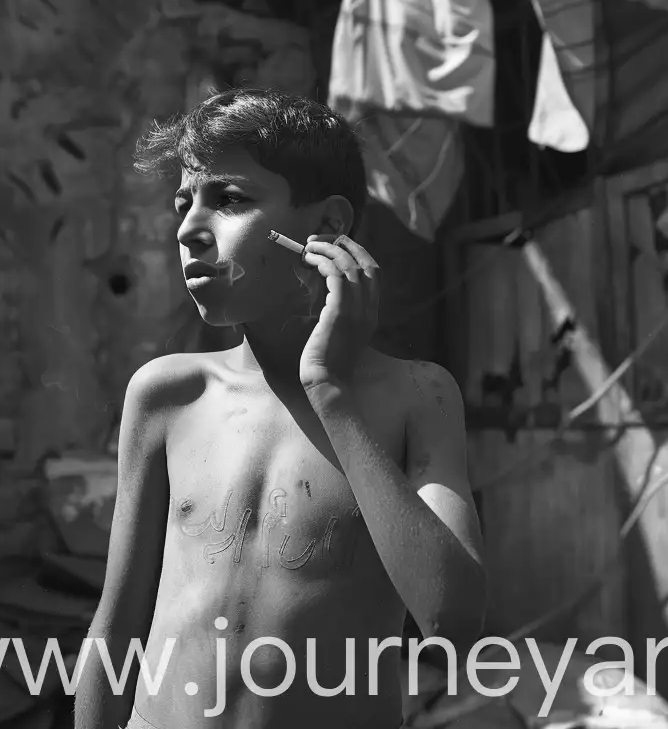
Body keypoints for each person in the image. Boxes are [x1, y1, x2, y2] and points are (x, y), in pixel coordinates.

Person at [78, 91, 485, 729]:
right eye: (183, 203)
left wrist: (331, 394)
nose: (188, 227)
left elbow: (451, 619)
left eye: (230, 199)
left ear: (325, 228)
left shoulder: (416, 396)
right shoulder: (167, 395)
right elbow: (118, 621)